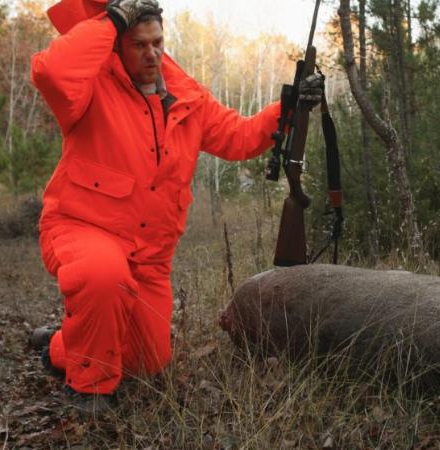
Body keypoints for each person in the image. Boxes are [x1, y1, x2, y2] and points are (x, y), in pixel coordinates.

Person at [28, 0, 323, 414]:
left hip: (149, 257)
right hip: (82, 227)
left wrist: (289, 110)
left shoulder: (188, 100)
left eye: (157, 44)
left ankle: (61, 345)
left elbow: (239, 137)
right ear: (117, 44)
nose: (151, 54)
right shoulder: (91, 86)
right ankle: (89, 391)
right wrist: (113, 17)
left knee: (149, 360)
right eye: (138, 45)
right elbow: (49, 71)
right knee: (103, 276)